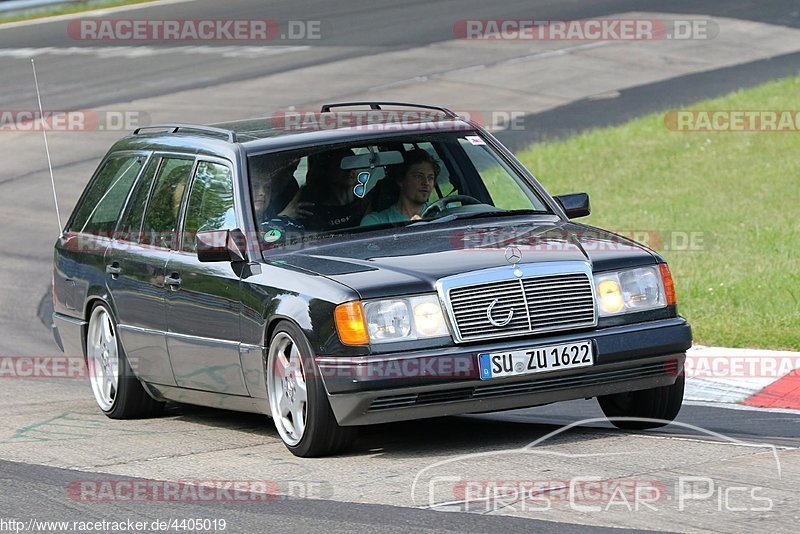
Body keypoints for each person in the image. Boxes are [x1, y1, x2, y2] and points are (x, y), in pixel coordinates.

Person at [360, 149, 438, 226]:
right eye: (418, 176)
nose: (426, 183)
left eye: (430, 178)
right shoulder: (375, 222)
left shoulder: (441, 212)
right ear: (401, 180)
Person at [299, 147, 369, 231]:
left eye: (353, 164)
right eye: (343, 165)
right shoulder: (313, 213)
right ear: (327, 171)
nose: (350, 170)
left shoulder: (367, 204)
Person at [250, 155, 311, 225]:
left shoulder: (291, 188)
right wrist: (284, 217)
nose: (262, 192)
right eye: (255, 186)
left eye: (267, 187)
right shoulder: (241, 216)